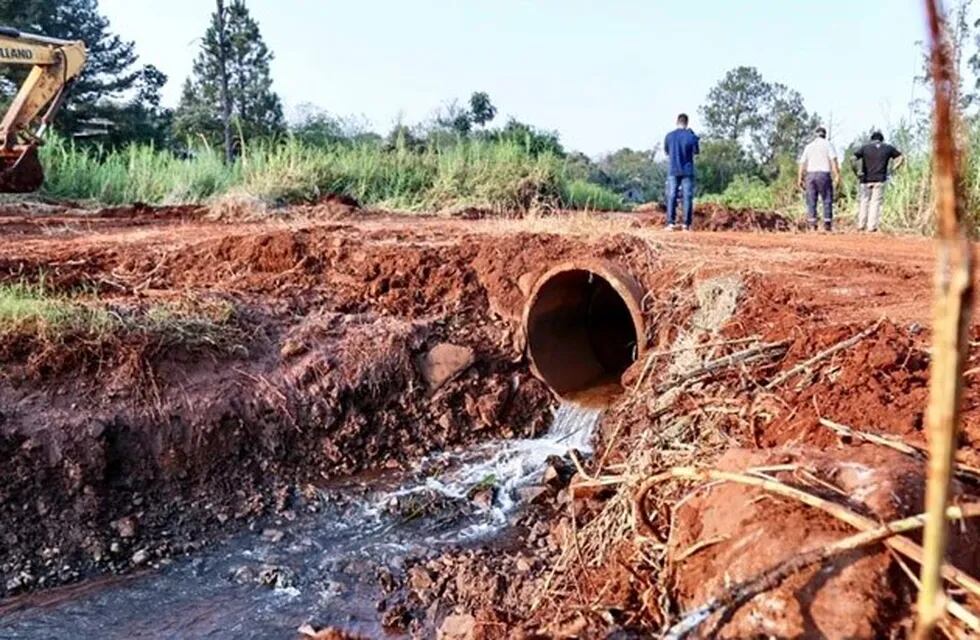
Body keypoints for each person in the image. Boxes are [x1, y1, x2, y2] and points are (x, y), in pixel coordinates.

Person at [853, 131, 904, 232]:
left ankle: (861, 224)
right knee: (875, 203)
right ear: (882, 139)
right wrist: (893, 169)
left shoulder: (865, 148)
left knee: (864, 201)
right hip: (880, 179)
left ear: (872, 139)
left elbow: (852, 159)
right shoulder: (888, 148)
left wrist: (857, 171)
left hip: (865, 179)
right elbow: (901, 157)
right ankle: (871, 226)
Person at [797, 126, 841, 231]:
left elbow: (802, 163)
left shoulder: (809, 146)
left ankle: (812, 225)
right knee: (826, 199)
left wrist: (799, 178)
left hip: (810, 175)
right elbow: (833, 161)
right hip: (823, 174)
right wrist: (837, 175)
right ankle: (827, 224)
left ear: (815, 135)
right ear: (824, 135)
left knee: (811, 200)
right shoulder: (828, 145)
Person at [663, 113, 700, 231]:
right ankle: (686, 225)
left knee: (672, 195)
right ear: (687, 123)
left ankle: (670, 223)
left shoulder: (669, 136)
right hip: (687, 170)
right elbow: (696, 151)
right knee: (687, 197)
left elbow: (667, 152)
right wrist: (693, 135)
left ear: (677, 122)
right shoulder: (691, 136)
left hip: (673, 170)